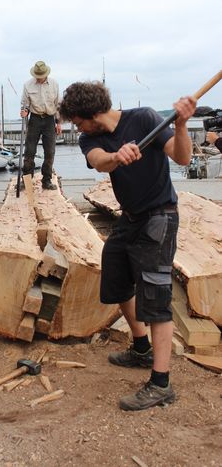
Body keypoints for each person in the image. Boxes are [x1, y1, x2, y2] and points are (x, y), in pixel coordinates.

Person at [59, 81, 196, 411]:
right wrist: (117, 156)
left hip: (159, 216)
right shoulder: (90, 137)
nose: (76, 128)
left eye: (78, 121)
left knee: (156, 297)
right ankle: (141, 348)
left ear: (91, 114)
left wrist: (180, 125)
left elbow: (182, 157)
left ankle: (161, 383)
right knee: (116, 278)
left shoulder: (146, 119)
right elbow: (99, 161)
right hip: (130, 217)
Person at [20, 60, 62, 190]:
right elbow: (25, 104)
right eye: (37, 76)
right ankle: (26, 180)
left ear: (46, 74)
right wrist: (24, 111)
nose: (39, 78)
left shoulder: (54, 84)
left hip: (49, 119)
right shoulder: (28, 85)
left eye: (41, 76)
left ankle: (47, 180)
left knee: (50, 152)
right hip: (35, 119)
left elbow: (58, 105)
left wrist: (58, 122)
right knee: (29, 151)